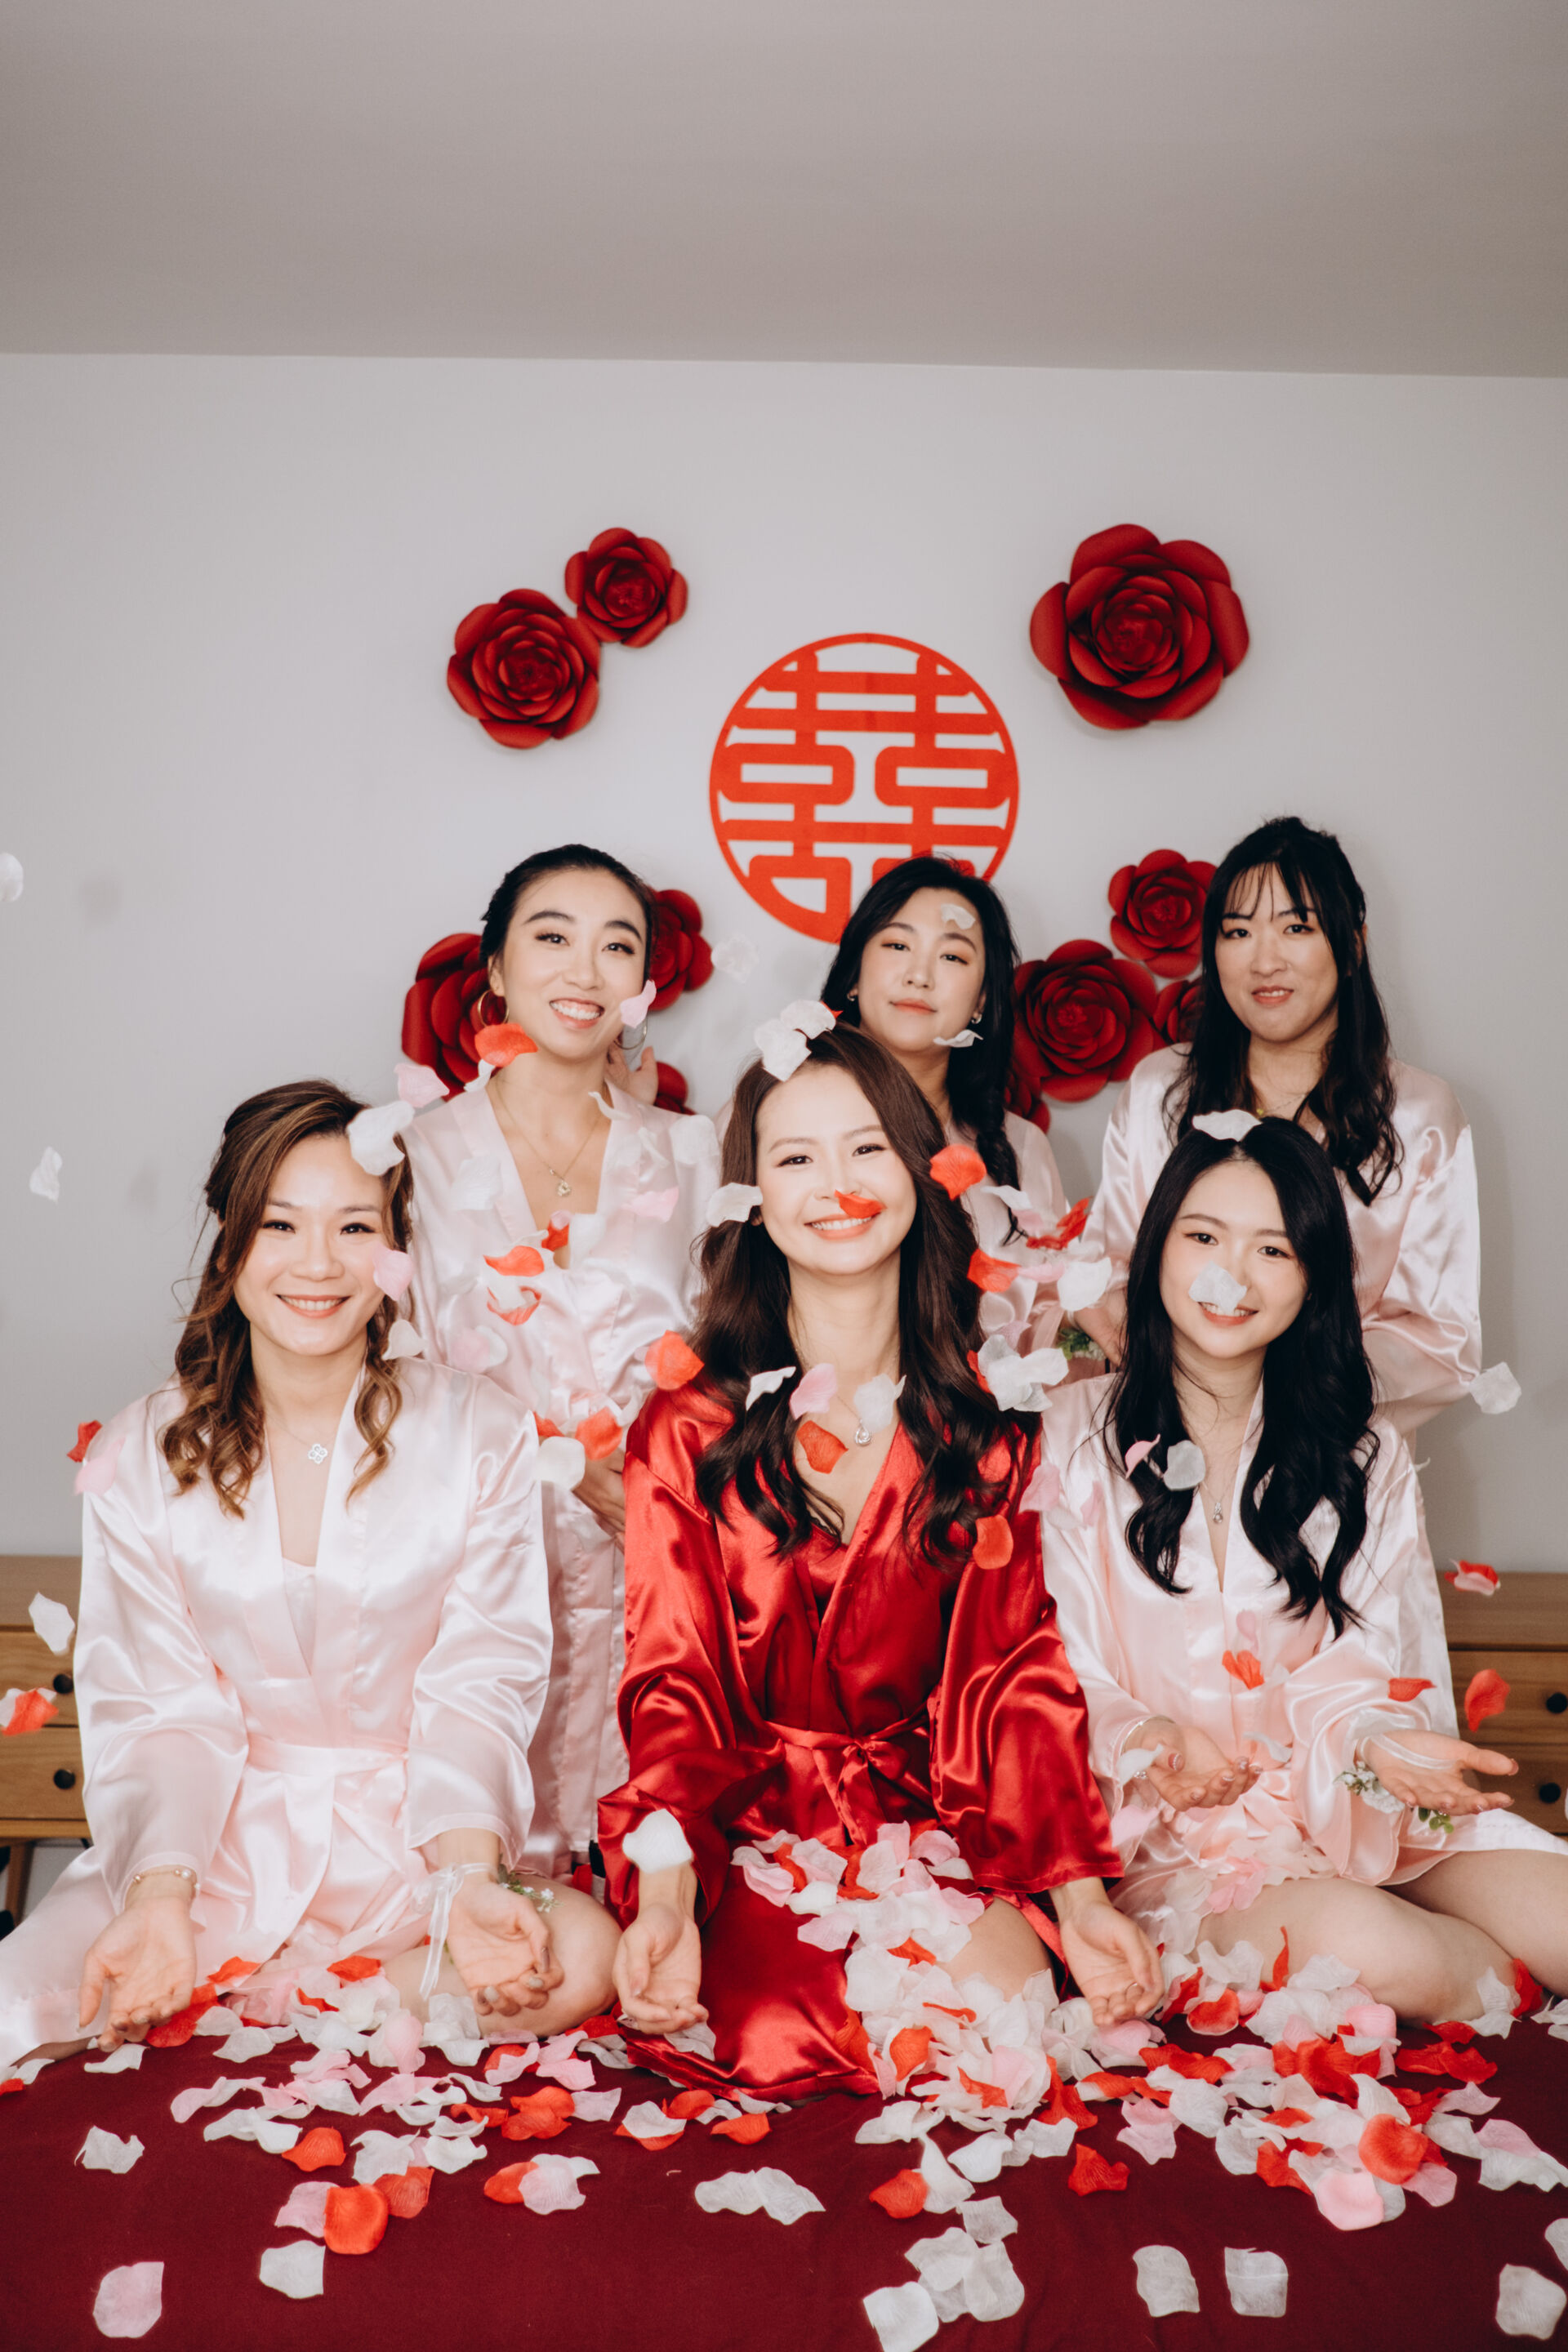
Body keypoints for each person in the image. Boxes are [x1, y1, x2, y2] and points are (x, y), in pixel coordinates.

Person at [0, 1081, 617, 2069]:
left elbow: (479, 1680)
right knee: (19, 2006)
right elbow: (161, 1712)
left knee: (579, 1954)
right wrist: (160, 1898)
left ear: (397, 1246)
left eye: (355, 1226)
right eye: (280, 1225)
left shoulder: (482, 1432)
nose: (319, 1264)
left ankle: (290, 2008)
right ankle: (251, 1992)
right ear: (230, 1242)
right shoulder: (140, 1454)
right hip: (212, 1854)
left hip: (415, 1847)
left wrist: (466, 1881)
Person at [599, 1021, 1160, 2102]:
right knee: (764, 2037)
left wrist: (1082, 1902)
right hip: (746, 1826)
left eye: (866, 1148)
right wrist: (665, 1899)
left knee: (999, 2025)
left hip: (934, 1815)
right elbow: (674, 1689)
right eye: (795, 1158)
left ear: (918, 1167)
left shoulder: (992, 1421)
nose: (838, 1186)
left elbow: (1014, 1678)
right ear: (749, 1196)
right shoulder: (685, 1427)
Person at [1039, 1120, 1566, 2016]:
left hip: (1351, 1807)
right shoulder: (1067, 1438)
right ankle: (1485, 1974)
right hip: (1174, 1847)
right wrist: (1151, 1740)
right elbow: (1054, 1669)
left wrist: (1381, 1746)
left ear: (1313, 1276)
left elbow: (1371, 1666)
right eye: (1203, 1237)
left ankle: (1487, 1965)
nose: (1231, 1278)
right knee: (1376, 1949)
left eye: (1273, 1249)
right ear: (1156, 1246)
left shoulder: (1363, 1452)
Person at [405, 846, 720, 1879]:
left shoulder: (696, 1155)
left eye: (616, 945)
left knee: (642, 1883)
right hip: (468, 1580)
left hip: (655, 1577)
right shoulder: (413, 1160)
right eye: (552, 937)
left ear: (644, 983)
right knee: (476, 1884)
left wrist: (657, 1484)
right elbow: (390, 1375)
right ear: (496, 967)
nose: (585, 971)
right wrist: (559, 1463)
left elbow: (741, 1356)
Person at [1078, 817, 1481, 1436]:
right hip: (1166, 1439)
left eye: (1297, 928)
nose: (1265, 961)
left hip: (1330, 1452)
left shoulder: (1419, 1114)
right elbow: (1114, 1265)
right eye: (1238, 932)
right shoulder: (1160, 1090)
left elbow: (1438, 1339)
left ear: (1353, 945)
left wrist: (1277, 1386)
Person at [820, 858, 1072, 1341]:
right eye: (897, 945)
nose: (919, 976)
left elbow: (1051, 1321)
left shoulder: (1021, 1149)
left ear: (981, 1000)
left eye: (952, 957)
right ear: (853, 974)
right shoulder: (773, 1118)